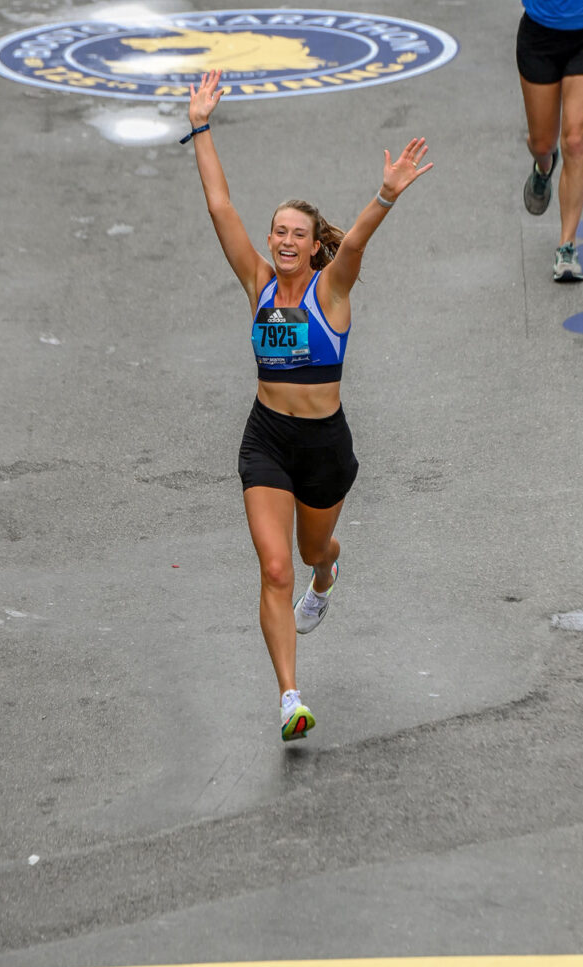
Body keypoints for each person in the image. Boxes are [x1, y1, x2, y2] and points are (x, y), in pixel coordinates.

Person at [183, 69, 431, 742]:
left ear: (313, 244)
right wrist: (201, 125)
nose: (284, 242)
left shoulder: (332, 292)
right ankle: (290, 697)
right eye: (277, 233)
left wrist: (383, 196)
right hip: (266, 438)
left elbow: (354, 245)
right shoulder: (258, 283)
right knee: (272, 566)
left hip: (323, 446)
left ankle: (327, 573)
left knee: (313, 551)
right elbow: (219, 207)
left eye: (297, 234)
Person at [517, 0, 583, 281]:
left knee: (575, 140)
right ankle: (544, 166)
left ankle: (567, 246)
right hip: (540, 33)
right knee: (542, 144)